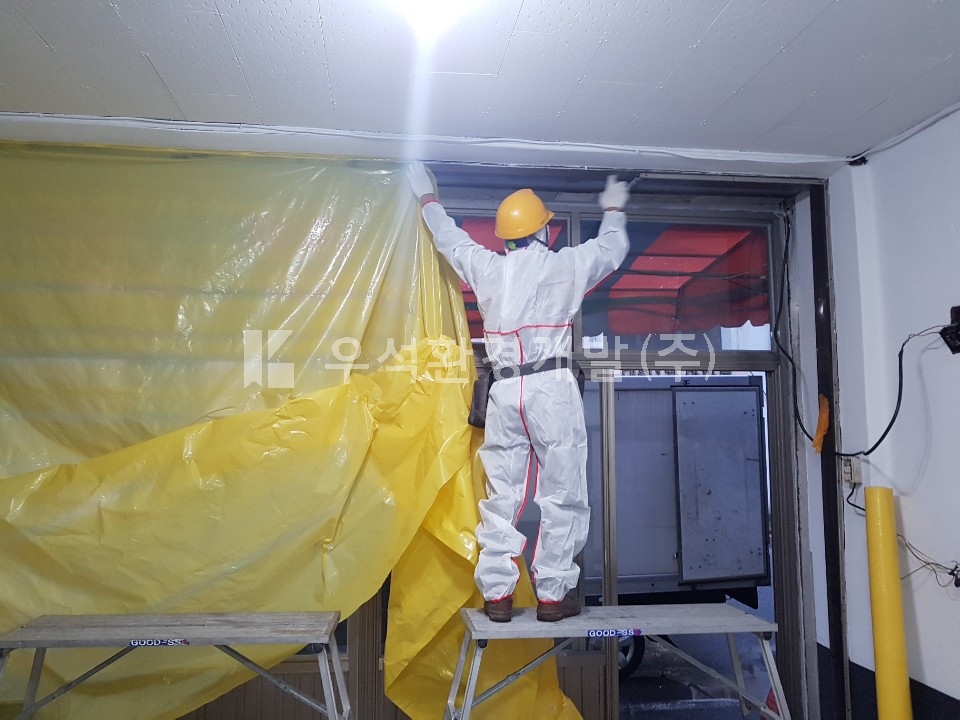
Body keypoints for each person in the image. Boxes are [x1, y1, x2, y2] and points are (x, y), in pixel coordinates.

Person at [405, 162, 630, 622]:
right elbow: (612, 249)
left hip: (505, 392)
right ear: (543, 231)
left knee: (502, 494)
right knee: (563, 491)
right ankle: (552, 596)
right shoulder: (565, 266)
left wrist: (427, 198)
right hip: (551, 389)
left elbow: (451, 241)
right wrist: (612, 208)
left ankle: (497, 595)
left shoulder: (489, 269)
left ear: (506, 238)